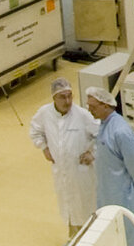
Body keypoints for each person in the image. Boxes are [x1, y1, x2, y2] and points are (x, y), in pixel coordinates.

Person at [29, 78, 98, 237]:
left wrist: (92, 153)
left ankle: (90, 239)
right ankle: (74, 238)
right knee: (68, 206)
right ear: (54, 98)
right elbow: (35, 131)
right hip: (62, 171)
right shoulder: (44, 113)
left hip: (81, 173)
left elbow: (101, 136)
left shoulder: (82, 115)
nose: (67, 101)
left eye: (70, 96)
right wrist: (44, 147)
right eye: (62, 97)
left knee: (85, 207)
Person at [87, 87, 134, 246]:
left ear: (105, 106)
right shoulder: (103, 125)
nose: (89, 110)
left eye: (93, 107)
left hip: (123, 194)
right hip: (107, 191)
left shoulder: (120, 131)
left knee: (132, 234)